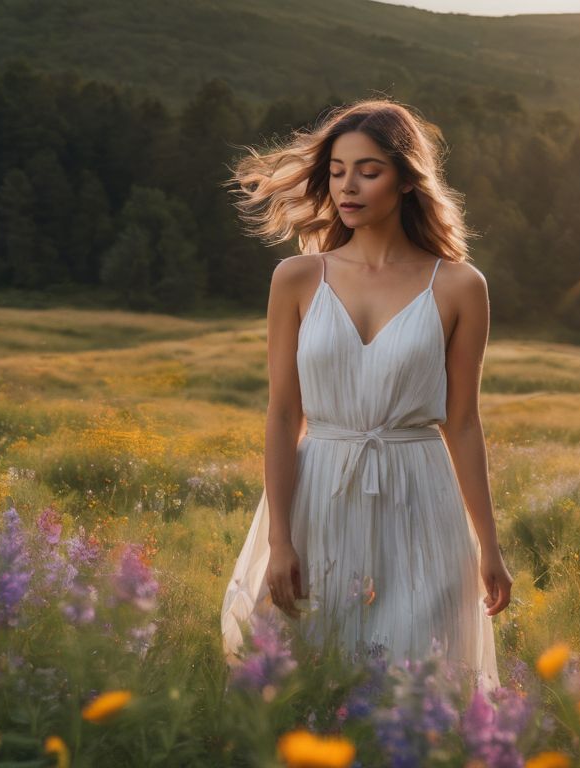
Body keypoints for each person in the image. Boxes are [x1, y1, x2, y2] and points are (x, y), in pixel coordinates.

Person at [219, 98, 510, 692]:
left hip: (420, 496)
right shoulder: (297, 279)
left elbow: (463, 424)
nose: (347, 186)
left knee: (420, 676)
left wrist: (489, 546)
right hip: (320, 492)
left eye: (368, 170)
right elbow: (281, 415)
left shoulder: (459, 285)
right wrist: (280, 539)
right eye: (337, 170)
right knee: (312, 674)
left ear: (405, 180)